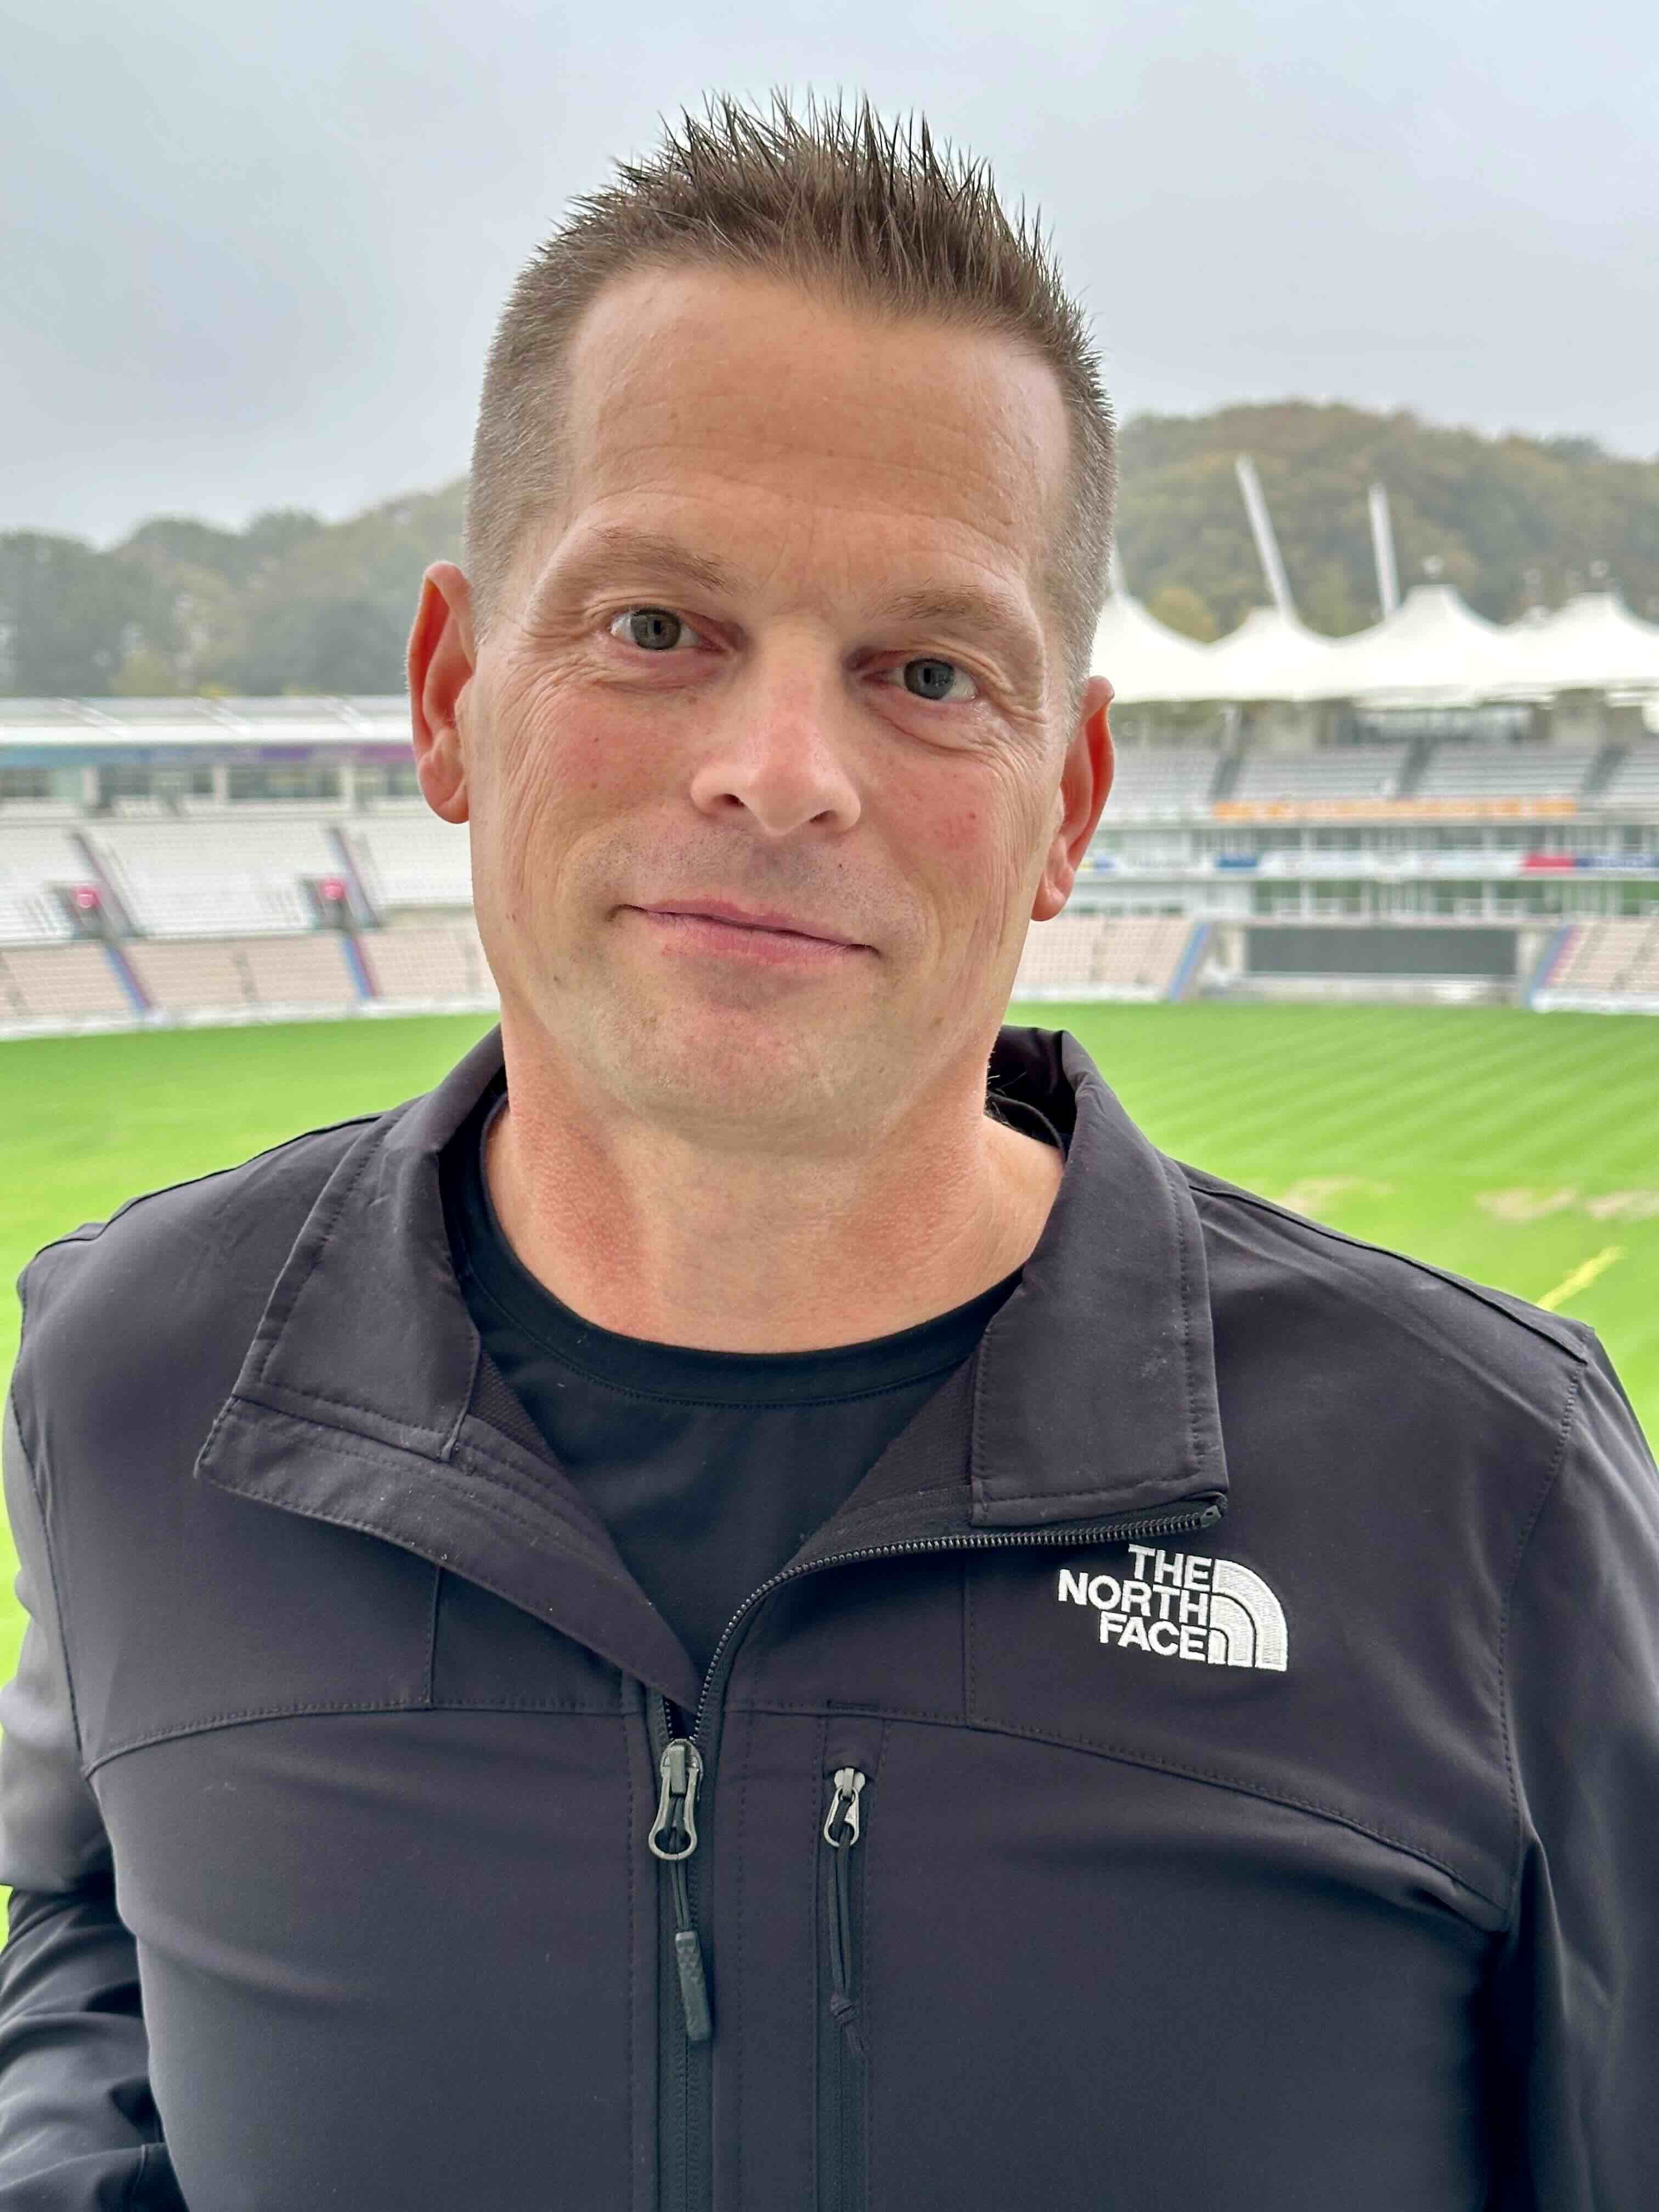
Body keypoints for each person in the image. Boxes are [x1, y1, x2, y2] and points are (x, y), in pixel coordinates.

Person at [1, 93, 1655, 2212]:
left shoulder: (1490, 1489)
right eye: (657, 627)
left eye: (927, 670)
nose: (781, 774)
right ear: (449, 693)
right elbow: (91, 1920)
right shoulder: (136, 1371)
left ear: (1068, 804)